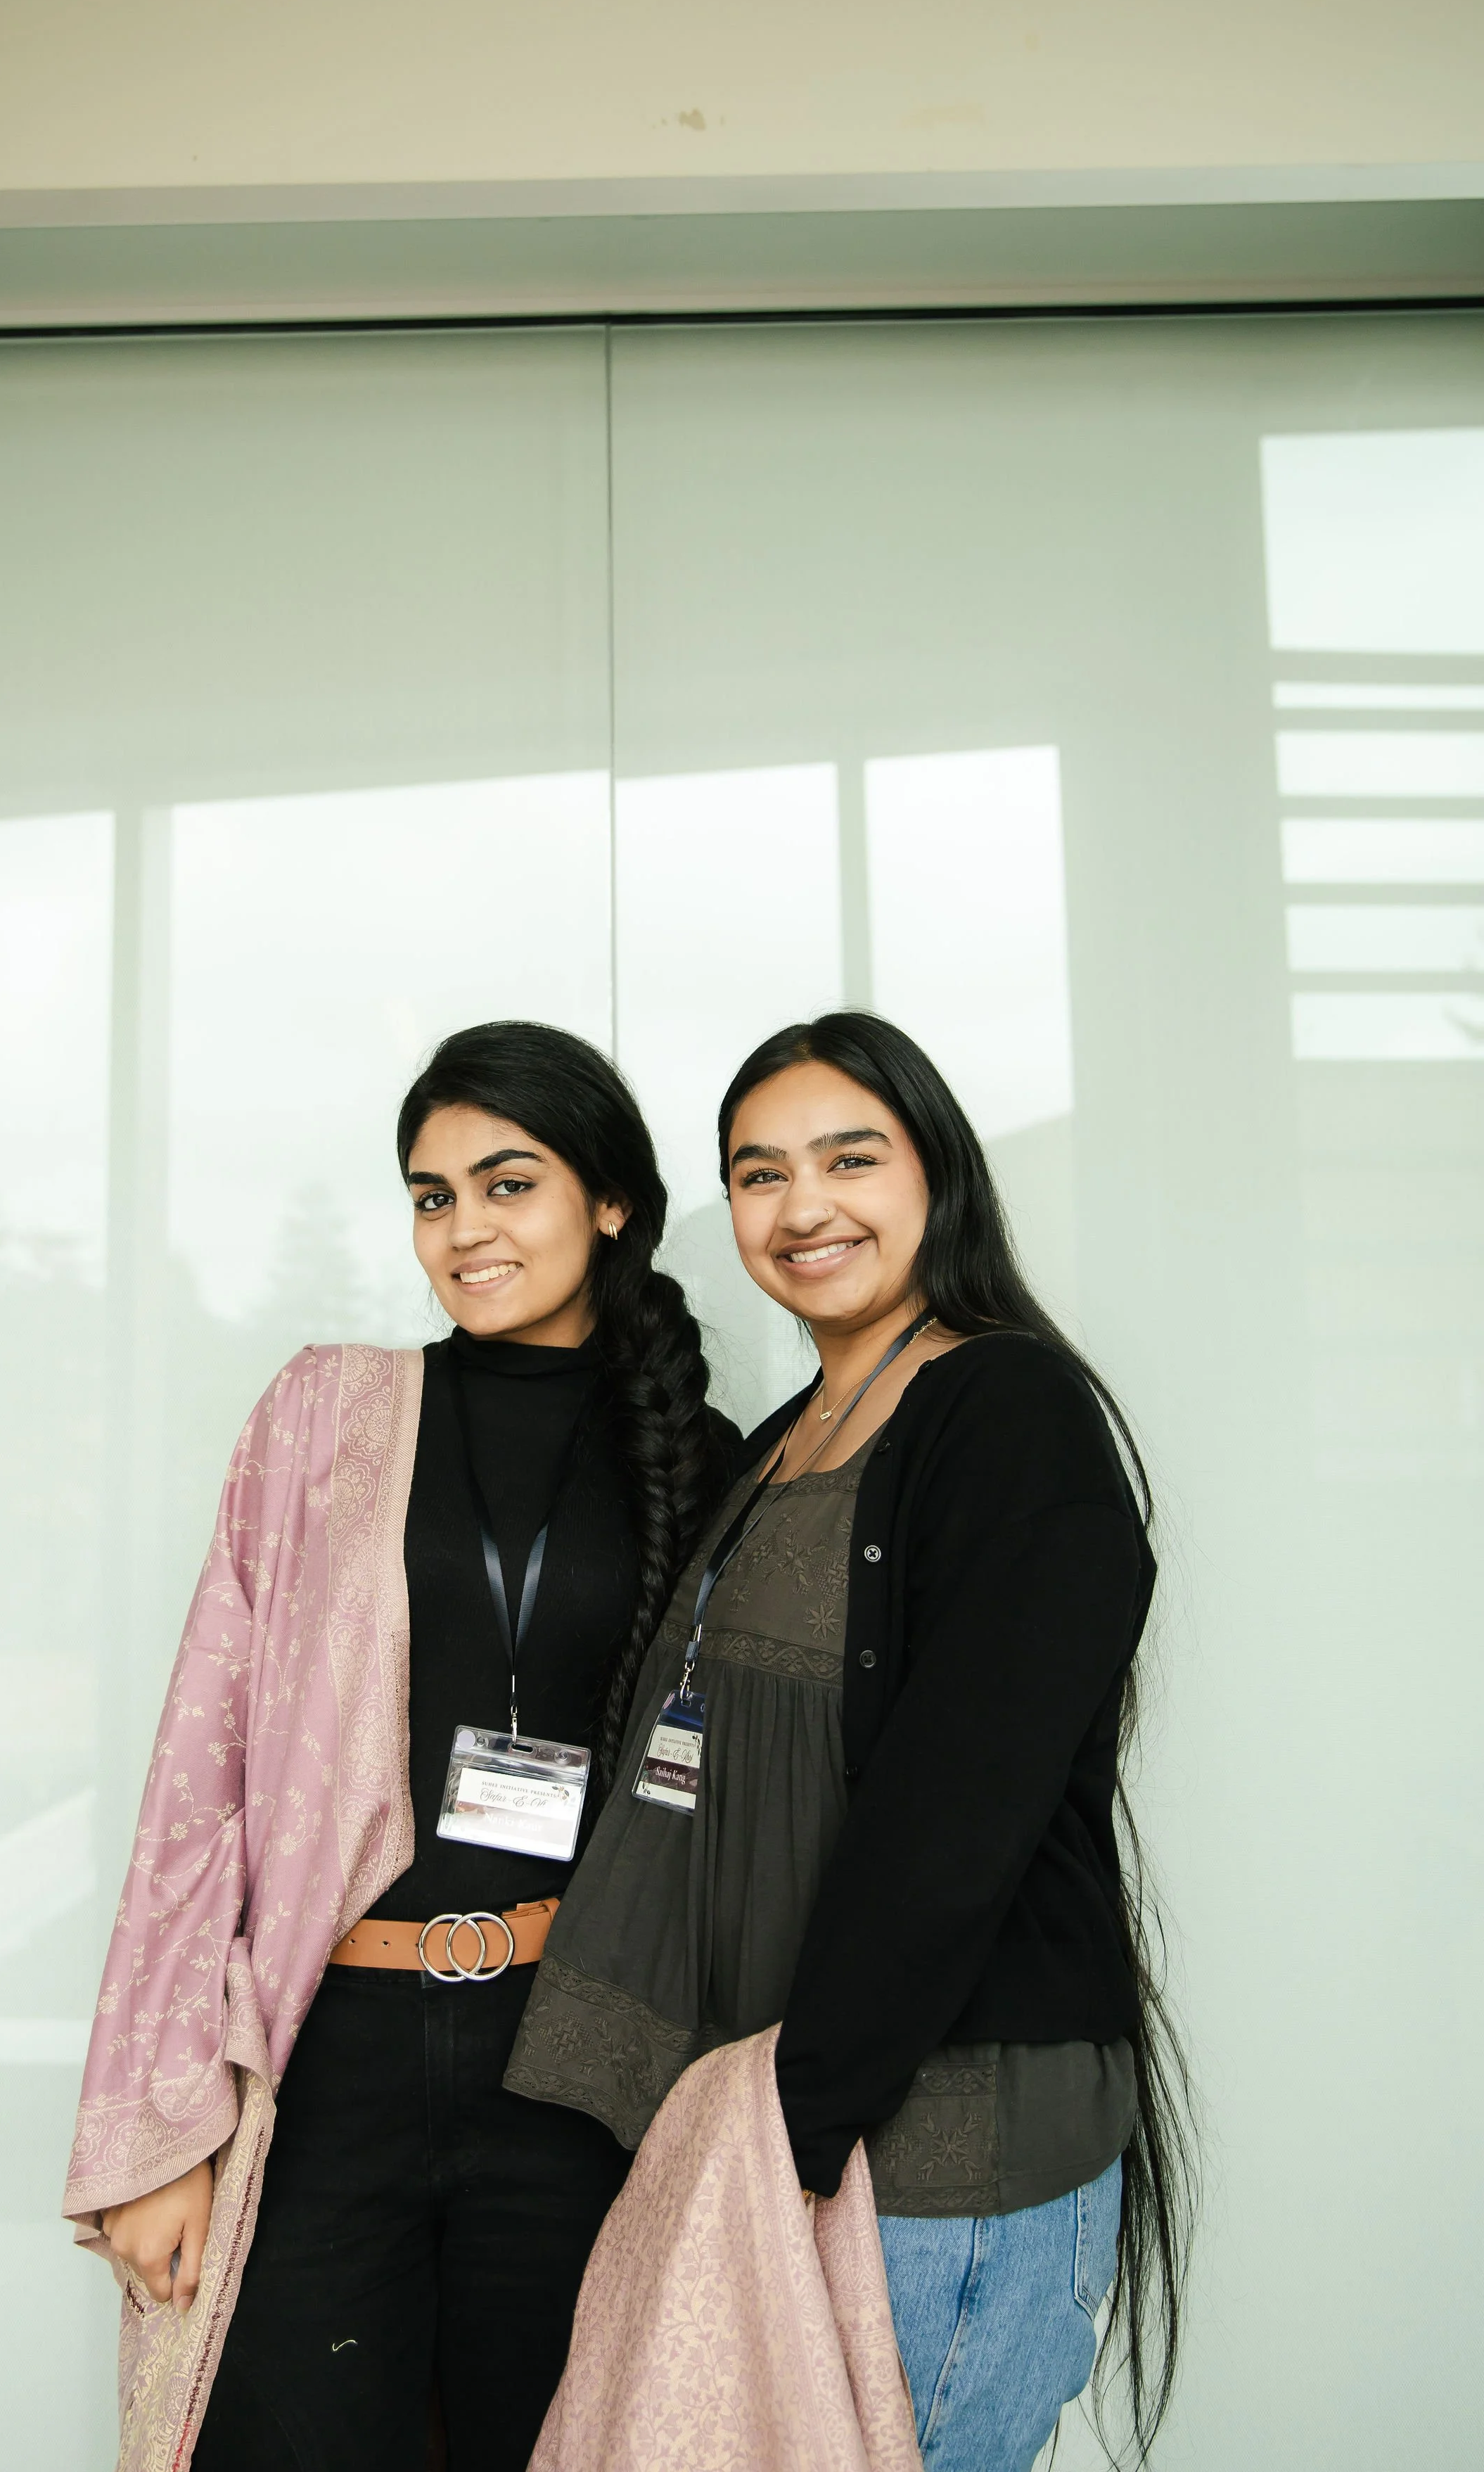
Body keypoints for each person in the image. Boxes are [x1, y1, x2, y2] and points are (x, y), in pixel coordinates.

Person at [507, 1011, 1197, 2472]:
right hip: (788, 2145)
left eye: (849, 1158)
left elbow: (965, 1819)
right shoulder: (777, 1441)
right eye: (759, 1174)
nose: (802, 1207)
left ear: (939, 1175)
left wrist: (794, 2130)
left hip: (933, 2164)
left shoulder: (1009, 1415)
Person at [64, 1021, 740, 2472]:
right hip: (336, 2057)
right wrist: (164, 2126)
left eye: (508, 1184)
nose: (464, 1231)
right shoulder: (328, 1414)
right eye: (433, 1197)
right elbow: (202, 1777)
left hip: (575, 2064)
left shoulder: (699, 1451)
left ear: (609, 1199)